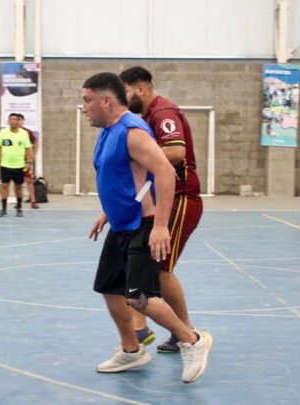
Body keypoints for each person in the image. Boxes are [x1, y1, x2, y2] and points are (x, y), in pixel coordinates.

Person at [82, 72, 212, 383]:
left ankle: (191, 340)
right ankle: (131, 351)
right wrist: (107, 212)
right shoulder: (108, 131)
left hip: (143, 225)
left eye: (88, 100)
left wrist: (161, 226)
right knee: (109, 288)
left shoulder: (132, 131)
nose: (84, 107)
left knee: (140, 297)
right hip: (122, 224)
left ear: (106, 101)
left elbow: (164, 172)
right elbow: (125, 179)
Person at [120, 66, 204, 354]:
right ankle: (164, 329)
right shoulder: (146, 117)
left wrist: (136, 155)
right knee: (150, 267)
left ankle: (186, 333)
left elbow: (176, 153)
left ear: (140, 88)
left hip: (182, 199)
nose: (122, 98)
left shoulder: (163, 113)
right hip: (164, 198)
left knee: (162, 269)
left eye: (125, 92)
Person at [0, 113, 32, 217]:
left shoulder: (24, 133)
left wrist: (28, 162)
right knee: (5, 186)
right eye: (11, 119)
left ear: (19, 121)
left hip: (19, 165)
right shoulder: (3, 132)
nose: (13, 121)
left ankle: (19, 208)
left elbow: (27, 148)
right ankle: (3, 209)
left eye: (15, 119)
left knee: (18, 187)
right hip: (5, 165)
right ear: (8, 121)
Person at [17, 114, 40, 209]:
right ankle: (18, 201)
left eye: (20, 120)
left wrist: (33, 155)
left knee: (29, 180)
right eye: (17, 120)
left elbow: (36, 143)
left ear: (23, 121)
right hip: (14, 161)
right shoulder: (9, 132)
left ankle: (33, 201)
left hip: (25, 161)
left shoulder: (27, 132)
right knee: (17, 182)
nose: (18, 122)